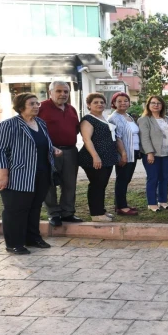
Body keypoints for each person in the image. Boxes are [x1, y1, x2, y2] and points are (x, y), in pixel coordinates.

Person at [0, 93, 62, 254]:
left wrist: (53, 149)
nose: (37, 106)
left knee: (34, 208)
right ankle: (14, 243)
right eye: (32, 104)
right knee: (16, 210)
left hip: (41, 174)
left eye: (37, 103)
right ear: (21, 106)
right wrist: (2, 175)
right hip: (17, 176)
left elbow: (44, 144)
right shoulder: (8, 125)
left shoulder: (41, 123)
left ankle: (32, 238)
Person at [38, 81, 82, 226]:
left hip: (70, 150)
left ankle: (68, 212)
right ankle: (54, 214)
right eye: (59, 91)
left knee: (69, 183)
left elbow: (75, 129)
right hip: (49, 151)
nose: (63, 94)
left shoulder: (71, 109)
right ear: (50, 92)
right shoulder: (41, 108)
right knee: (49, 183)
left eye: (66, 91)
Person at [78, 93, 121, 222]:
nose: (99, 104)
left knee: (102, 184)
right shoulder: (88, 119)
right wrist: (95, 157)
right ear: (89, 105)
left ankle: (101, 211)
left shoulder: (103, 118)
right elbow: (87, 140)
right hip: (94, 158)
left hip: (107, 158)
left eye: (102, 102)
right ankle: (96, 214)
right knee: (96, 185)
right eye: (95, 102)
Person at [139, 95, 168, 212]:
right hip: (152, 154)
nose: (156, 105)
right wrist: (149, 152)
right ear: (148, 105)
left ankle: (163, 201)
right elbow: (144, 138)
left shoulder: (167, 119)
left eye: (158, 103)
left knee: (164, 178)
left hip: (167, 154)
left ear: (162, 106)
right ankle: (151, 203)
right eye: (153, 103)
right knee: (153, 178)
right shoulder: (144, 119)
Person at [108, 92, 139, 216]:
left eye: (125, 100)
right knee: (122, 179)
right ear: (114, 103)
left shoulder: (128, 116)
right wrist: (123, 154)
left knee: (126, 179)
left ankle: (120, 204)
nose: (123, 103)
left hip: (133, 152)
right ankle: (121, 207)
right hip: (124, 153)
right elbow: (117, 137)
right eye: (119, 101)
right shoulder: (114, 118)